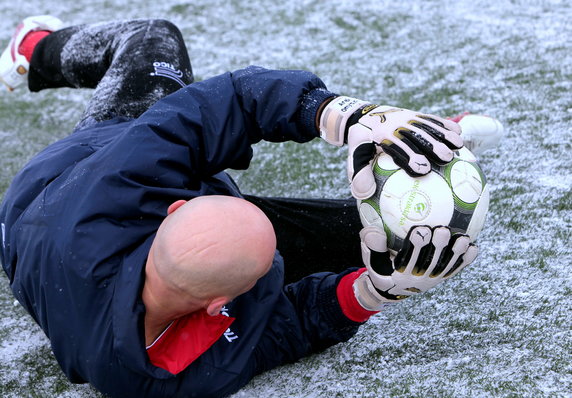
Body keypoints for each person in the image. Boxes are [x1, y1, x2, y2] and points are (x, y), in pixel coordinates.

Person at [0, 16, 500, 398]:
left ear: (175, 209)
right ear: (223, 303)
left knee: (155, 38)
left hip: (78, 169)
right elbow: (283, 331)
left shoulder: (125, 177)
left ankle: (35, 47)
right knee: (390, 246)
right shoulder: (157, 375)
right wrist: (374, 292)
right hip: (77, 231)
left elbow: (231, 101)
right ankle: (419, 167)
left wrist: (347, 117)